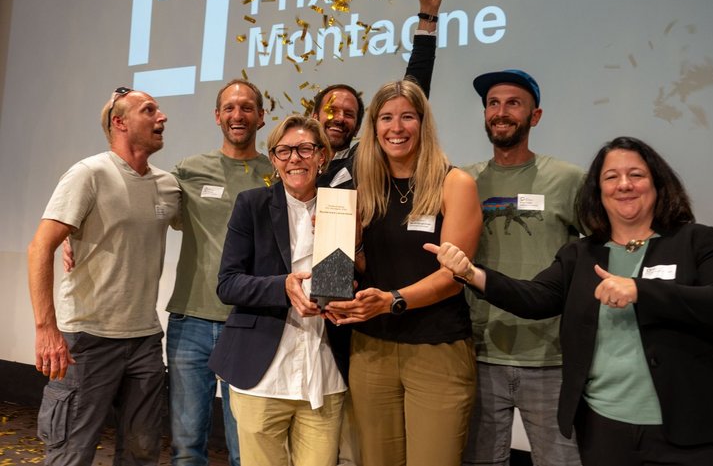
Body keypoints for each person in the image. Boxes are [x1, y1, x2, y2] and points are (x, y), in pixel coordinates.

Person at [427, 136, 713, 466]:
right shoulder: (580, 254)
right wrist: (472, 273)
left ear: (658, 183)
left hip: (694, 433)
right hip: (606, 431)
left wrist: (640, 290)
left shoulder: (695, 239)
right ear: (597, 191)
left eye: (636, 175)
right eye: (611, 177)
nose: (624, 185)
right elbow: (535, 299)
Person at [324, 80, 483, 466]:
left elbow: (453, 276)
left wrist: (392, 301)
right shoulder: (361, 186)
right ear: (374, 127)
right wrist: (347, 255)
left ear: (423, 123)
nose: (397, 128)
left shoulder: (454, 183)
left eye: (407, 117)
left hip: (437, 349)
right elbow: (359, 268)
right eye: (387, 118)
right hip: (370, 349)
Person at [28, 87, 180, 465]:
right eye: (150, 110)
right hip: (85, 338)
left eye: (159, 110)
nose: (162, 117)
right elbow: (39, 247)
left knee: (142, 453)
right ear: (120, 122)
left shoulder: (168, 185)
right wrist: (47, 328)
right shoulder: (89, 173)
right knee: (70, 453)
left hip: (144, 337)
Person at [208, 115, 350, 466]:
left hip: (324, 374)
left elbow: (349, 280)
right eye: (283, 151)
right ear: (273, 159)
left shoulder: (343, 208)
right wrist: (282, 287)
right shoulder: (252, 205)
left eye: (304, 149)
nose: (294, 158)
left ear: (322, 156)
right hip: (262, 376)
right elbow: (228, 283)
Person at [462, 69, 584, 466]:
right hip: (478, 353)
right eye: (493, 103)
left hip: (550, 358)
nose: (501, 112)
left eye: (513, 103)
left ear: (535, 116)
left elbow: (609, 245)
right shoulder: (463, 182)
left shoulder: (568, 180)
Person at [164, 79, 271, 466]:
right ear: (217, 116)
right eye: (229, 107)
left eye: (246, 108)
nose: (237, 115)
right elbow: (141, 207)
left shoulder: (277, 172)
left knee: (245, 447)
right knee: (187, 445)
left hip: (248, 323)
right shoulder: (188, 171)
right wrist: (76, 233)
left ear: (261, 116)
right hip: (189, 321)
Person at [315, 0, 443, 189]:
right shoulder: (292, 159)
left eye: (349, 114)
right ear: (313, 116)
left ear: (357, 128)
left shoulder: (363, 161)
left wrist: (428, 14)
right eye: (331, 109)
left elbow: (412, 90)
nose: (339, 118)